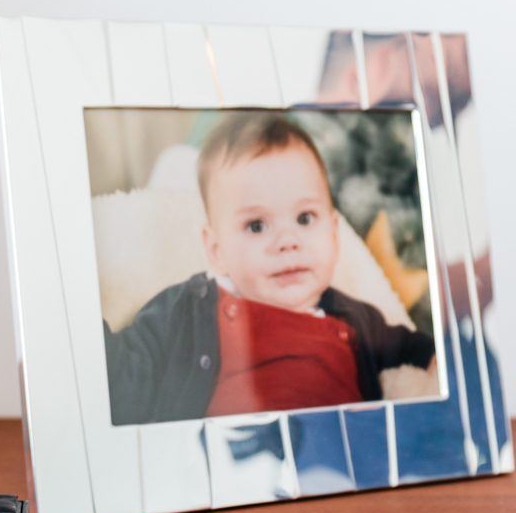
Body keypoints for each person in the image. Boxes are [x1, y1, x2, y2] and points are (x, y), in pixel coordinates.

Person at [104, 113, 435, 426]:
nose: (287, 241)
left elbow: (419, 353)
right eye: (257, 225)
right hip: (240, 465)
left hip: (342, 462)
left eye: (305, 218)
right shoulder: (188, 312)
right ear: (217, 251)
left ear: (334, 236)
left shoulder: (359, 320)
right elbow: (123, 375)